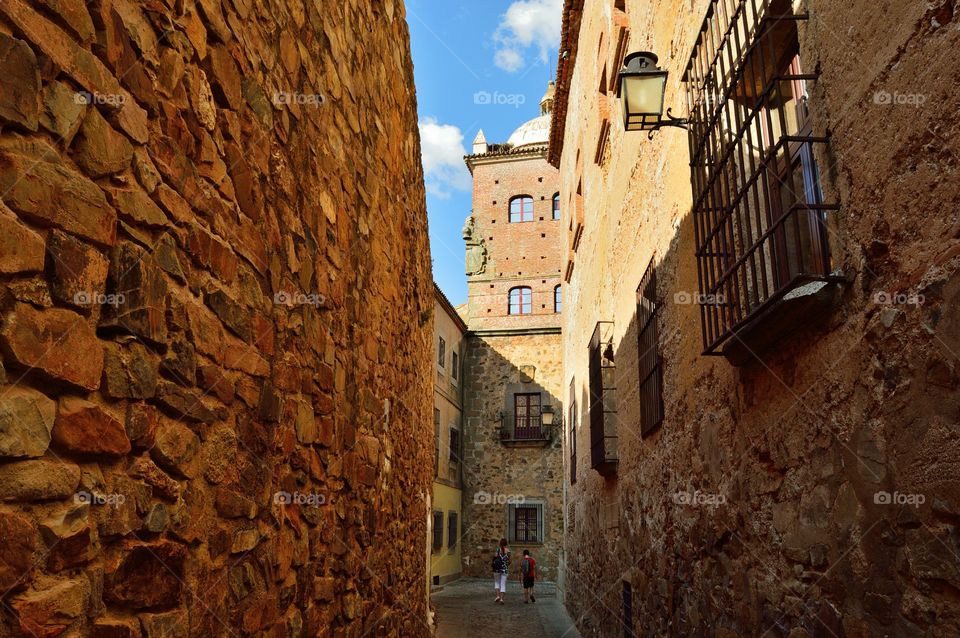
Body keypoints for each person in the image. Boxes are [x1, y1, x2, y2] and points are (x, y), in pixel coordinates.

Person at [493, 538, 510, 604]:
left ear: (500, 543)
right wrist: (506, 564)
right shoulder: (508, 551)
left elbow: (495, 558)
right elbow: (510, 561)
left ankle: (497, 596)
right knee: (503, 584)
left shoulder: (497, 550)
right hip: (504, 569)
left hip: (497, 569)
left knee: (497, 583)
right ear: (506, 544)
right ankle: (502, 599)